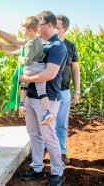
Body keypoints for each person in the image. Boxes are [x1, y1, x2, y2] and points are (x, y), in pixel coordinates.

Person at [0, 11, 67, 186]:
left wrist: (25, 79)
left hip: (47, 98)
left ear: (50, 25)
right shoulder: (38, 42)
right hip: (30, 96)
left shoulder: (57, 46)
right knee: (34, 135)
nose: (37, 27)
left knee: (49, 137)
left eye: (40, 24)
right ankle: (37, 168)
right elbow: (15, 41)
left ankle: (57, 172)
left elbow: (50, 74)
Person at [0, 16, 53, 125]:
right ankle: (47, 111)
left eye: (23, 29)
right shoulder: (39, 41)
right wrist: (11, 52)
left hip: (31, 68)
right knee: (42, 92)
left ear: (30, 30)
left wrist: (19, 58)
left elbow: (26, 59)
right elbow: (23, 50)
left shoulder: (29, 43)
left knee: (24, 84)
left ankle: (21, 104)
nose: (22, 32)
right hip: (40, 67)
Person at [56, 15, 80, 165]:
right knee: (45, 123)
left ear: (65, 29)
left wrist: (77, 91)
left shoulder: (70, 46)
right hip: (46, 91)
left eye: (57, 27)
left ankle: (62, 152)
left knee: (61, 123)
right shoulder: (45, 43)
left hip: (64, 91)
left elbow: (75, 70)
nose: (54, 30)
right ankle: (46, 150)